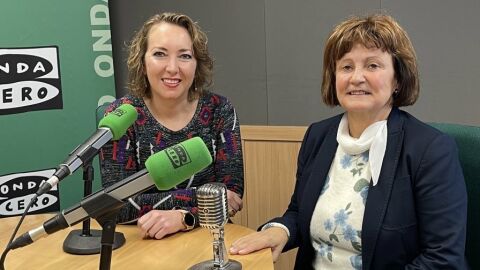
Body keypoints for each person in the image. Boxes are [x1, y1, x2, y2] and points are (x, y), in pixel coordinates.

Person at [229, 14, 468, 269]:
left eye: (372, 65)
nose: (356, 77)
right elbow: (299, 212)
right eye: (346, 67)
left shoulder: (430, 150)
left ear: (398, 78)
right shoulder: (318, 136)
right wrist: (280, 231)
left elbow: (443, 258)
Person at [100, 12, 244, 240]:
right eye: (160, 54)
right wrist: (198, 196)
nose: (172, 68)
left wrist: (183, 218)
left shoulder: (219, 110)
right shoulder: (123, 116)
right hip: (140, 243)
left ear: (197, 64)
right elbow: (115, 206)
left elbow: (233, 198)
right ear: (143, 62)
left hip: (207, 239)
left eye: (185, 56)